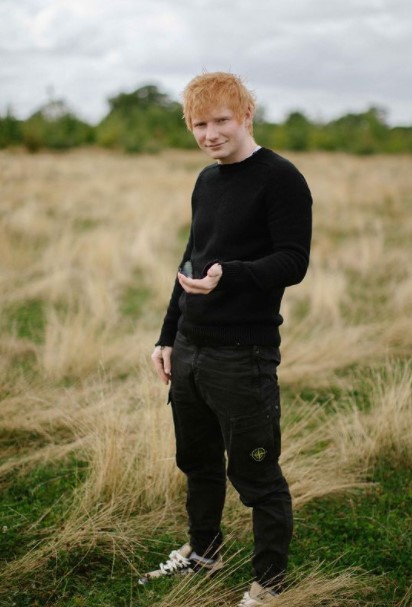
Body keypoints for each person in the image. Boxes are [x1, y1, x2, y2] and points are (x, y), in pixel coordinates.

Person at [140, 71, 312, 606]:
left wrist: (229, 274)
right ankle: (204, 553)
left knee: (256, 472)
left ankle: (269, 584)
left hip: (244, 352)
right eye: (199, 124)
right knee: (198, 462)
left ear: (245, 117)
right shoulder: (206, 181)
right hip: (191, 347)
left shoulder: (281, 177)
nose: (210, 133)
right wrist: (167, 336)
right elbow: (189, 261)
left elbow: (294, 261)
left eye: (221, 121)